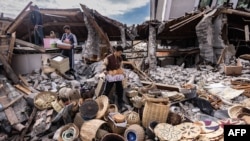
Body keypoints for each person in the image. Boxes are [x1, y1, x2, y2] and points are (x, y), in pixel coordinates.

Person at [103, 46, 125, 111]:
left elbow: (120, 67)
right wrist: (104, 70)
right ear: (116, 51)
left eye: (121, 53)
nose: (120, 54)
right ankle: (103, 103)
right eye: (120, 52)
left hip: (117, 76)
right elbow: (104, 64)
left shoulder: (120, 58)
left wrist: (122, 72)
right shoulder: (109, 57)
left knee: (120, 90)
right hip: (110, 76)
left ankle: (120, 105)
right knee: (107, 90)